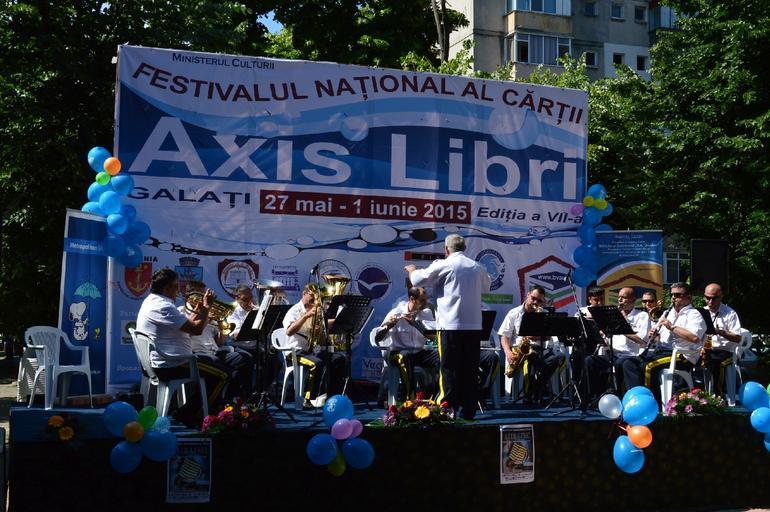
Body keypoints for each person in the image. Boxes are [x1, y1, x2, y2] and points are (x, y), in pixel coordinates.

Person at [405, 234, 491, 420]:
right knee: (470, 368)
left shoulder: (444, 264)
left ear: (446, 249)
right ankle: (468, 410)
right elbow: (487, 288)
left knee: (449, 368)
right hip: (473, 325)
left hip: (450, 325)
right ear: (464, 248)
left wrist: (412, 270)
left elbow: (417, 280)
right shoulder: (477, 267)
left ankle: (447, 408)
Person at [136, 268, 230, 425]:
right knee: (223, 375)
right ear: (167, 288)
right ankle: (190, 415)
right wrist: (206, 307)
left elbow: (187, 326)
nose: (178, 290)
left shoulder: (152, 301)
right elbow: (197, 330)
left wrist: (198, 311)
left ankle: (190, 411)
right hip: (173, 364)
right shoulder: (164, 306)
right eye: (176, 286)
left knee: (216, 365)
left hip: (164, 362)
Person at [622, 282, 706, 403]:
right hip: (662, 352)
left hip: (682, 356)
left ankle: (652, 402)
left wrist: (672, 327)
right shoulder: (668, 313)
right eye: (672, 295)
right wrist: (654, 335)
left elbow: (694, 338)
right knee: (629, 363)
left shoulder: (694, 314)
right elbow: (659, 339)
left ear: (689, 297)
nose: (673, 298)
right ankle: (637, 399)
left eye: (678, 295)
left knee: (648, 366)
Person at [179, 281, 254, 400]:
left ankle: (231, 399)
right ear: (189, 295)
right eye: (201, 295)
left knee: (245, 357)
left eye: (205, 295)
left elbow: (220, 342)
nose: (205, 299)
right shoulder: (181, 312)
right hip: (196, 354)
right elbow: (187, 333)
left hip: (214, 351)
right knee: (219, 365)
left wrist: (220, 325)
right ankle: (216, 402)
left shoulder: (209, 312)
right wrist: (204, 317)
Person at [282, 283, 347, 407]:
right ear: (304, 293)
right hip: (296, 352)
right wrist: (305, 316)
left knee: (338, 358)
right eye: (312, 295)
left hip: (312, 351)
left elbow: (323, 330)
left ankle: (333, 397)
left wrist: (337, 319)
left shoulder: (318, 310)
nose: (315, 298)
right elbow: (289, 331)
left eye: (318, 296)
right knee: (317, 363)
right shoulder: (294, 311)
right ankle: (308, 398)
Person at [498, 285, 565, 404]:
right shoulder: (514, 313)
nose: (535, 302)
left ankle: (534, 390)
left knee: (559, 357)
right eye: (533, 298)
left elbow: (549, 336)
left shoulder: (544, 314)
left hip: (539, 348)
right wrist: (508, 352)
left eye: (539, 301)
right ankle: (532, 393)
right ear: (528, 295)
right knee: (532, 359)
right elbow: (504, 336)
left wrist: (536, 337)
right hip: (520, 349)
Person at [371, 287, 440, 401]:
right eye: (422, 300)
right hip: (399, 354)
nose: (426, 302)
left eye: (426, 299)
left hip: (420, 353)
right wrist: (388, 327)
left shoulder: (426, 314)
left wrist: (415, 323)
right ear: (412, 299)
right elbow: (377, 338)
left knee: (443, 355)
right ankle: (409, 399)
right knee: (403, 355)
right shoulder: (396, 313)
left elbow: (434, 338)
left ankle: (436, 397)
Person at [584, 287, 650, 395]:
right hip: (613, 354)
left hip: (631, 355)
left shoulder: (642, 316)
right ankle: (595, 395)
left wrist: (623, 326)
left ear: (633, 299)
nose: (620, 300)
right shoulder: (614, 315)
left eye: (623, 297)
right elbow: (608, 341)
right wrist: (602, 336)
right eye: (619, 297)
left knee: (621, 363)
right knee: (590, 360)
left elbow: (642, 341)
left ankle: (620, 393)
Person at [227, 284, 281, 395]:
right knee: (248, 359)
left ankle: (259, 391)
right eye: (245, 299)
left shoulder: (256, 311)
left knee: (275, 363)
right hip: (240, 347)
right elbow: (234, 334)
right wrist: (248, 327)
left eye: (251, 298)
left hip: (255, 347)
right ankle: (243, 394)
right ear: (237, 299)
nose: (249, 302)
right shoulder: (232, 312)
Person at [702, 282, 742, 395]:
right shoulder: (701, 312)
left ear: (721, 297)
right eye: (707, 298)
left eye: (714, 298)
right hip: (704, 349)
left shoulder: (730, 313)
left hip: (724, 351)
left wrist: (720, 332)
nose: (710, 302)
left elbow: (738, 338)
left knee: (714, 363)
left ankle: (718, 396)